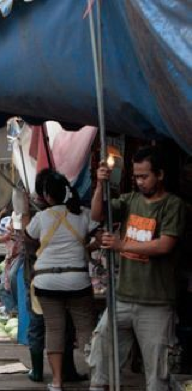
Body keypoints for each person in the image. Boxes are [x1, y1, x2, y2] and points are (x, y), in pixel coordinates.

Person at [88, 146, 186, 391]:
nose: (140, 181)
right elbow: (97, 214)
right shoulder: (130, 200)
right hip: (122, 298)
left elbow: (165, 245)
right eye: (137, 177)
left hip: (156, 303)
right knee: (101, 353)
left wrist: (122, 245)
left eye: (145, 176)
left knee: (157, 374)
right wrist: (100, 184)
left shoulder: (173, 205)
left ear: (160, 174)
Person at [23, 171, 97, 391]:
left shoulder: (41, 217)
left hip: (46, 282)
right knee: (86, 330)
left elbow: (28, 237)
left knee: (54, 330)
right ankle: (96, 380)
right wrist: (86, 247)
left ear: (46, 195)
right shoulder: (83, 214)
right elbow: (99, 236)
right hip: (77, 280)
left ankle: (56, 382)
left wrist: (25, 208)